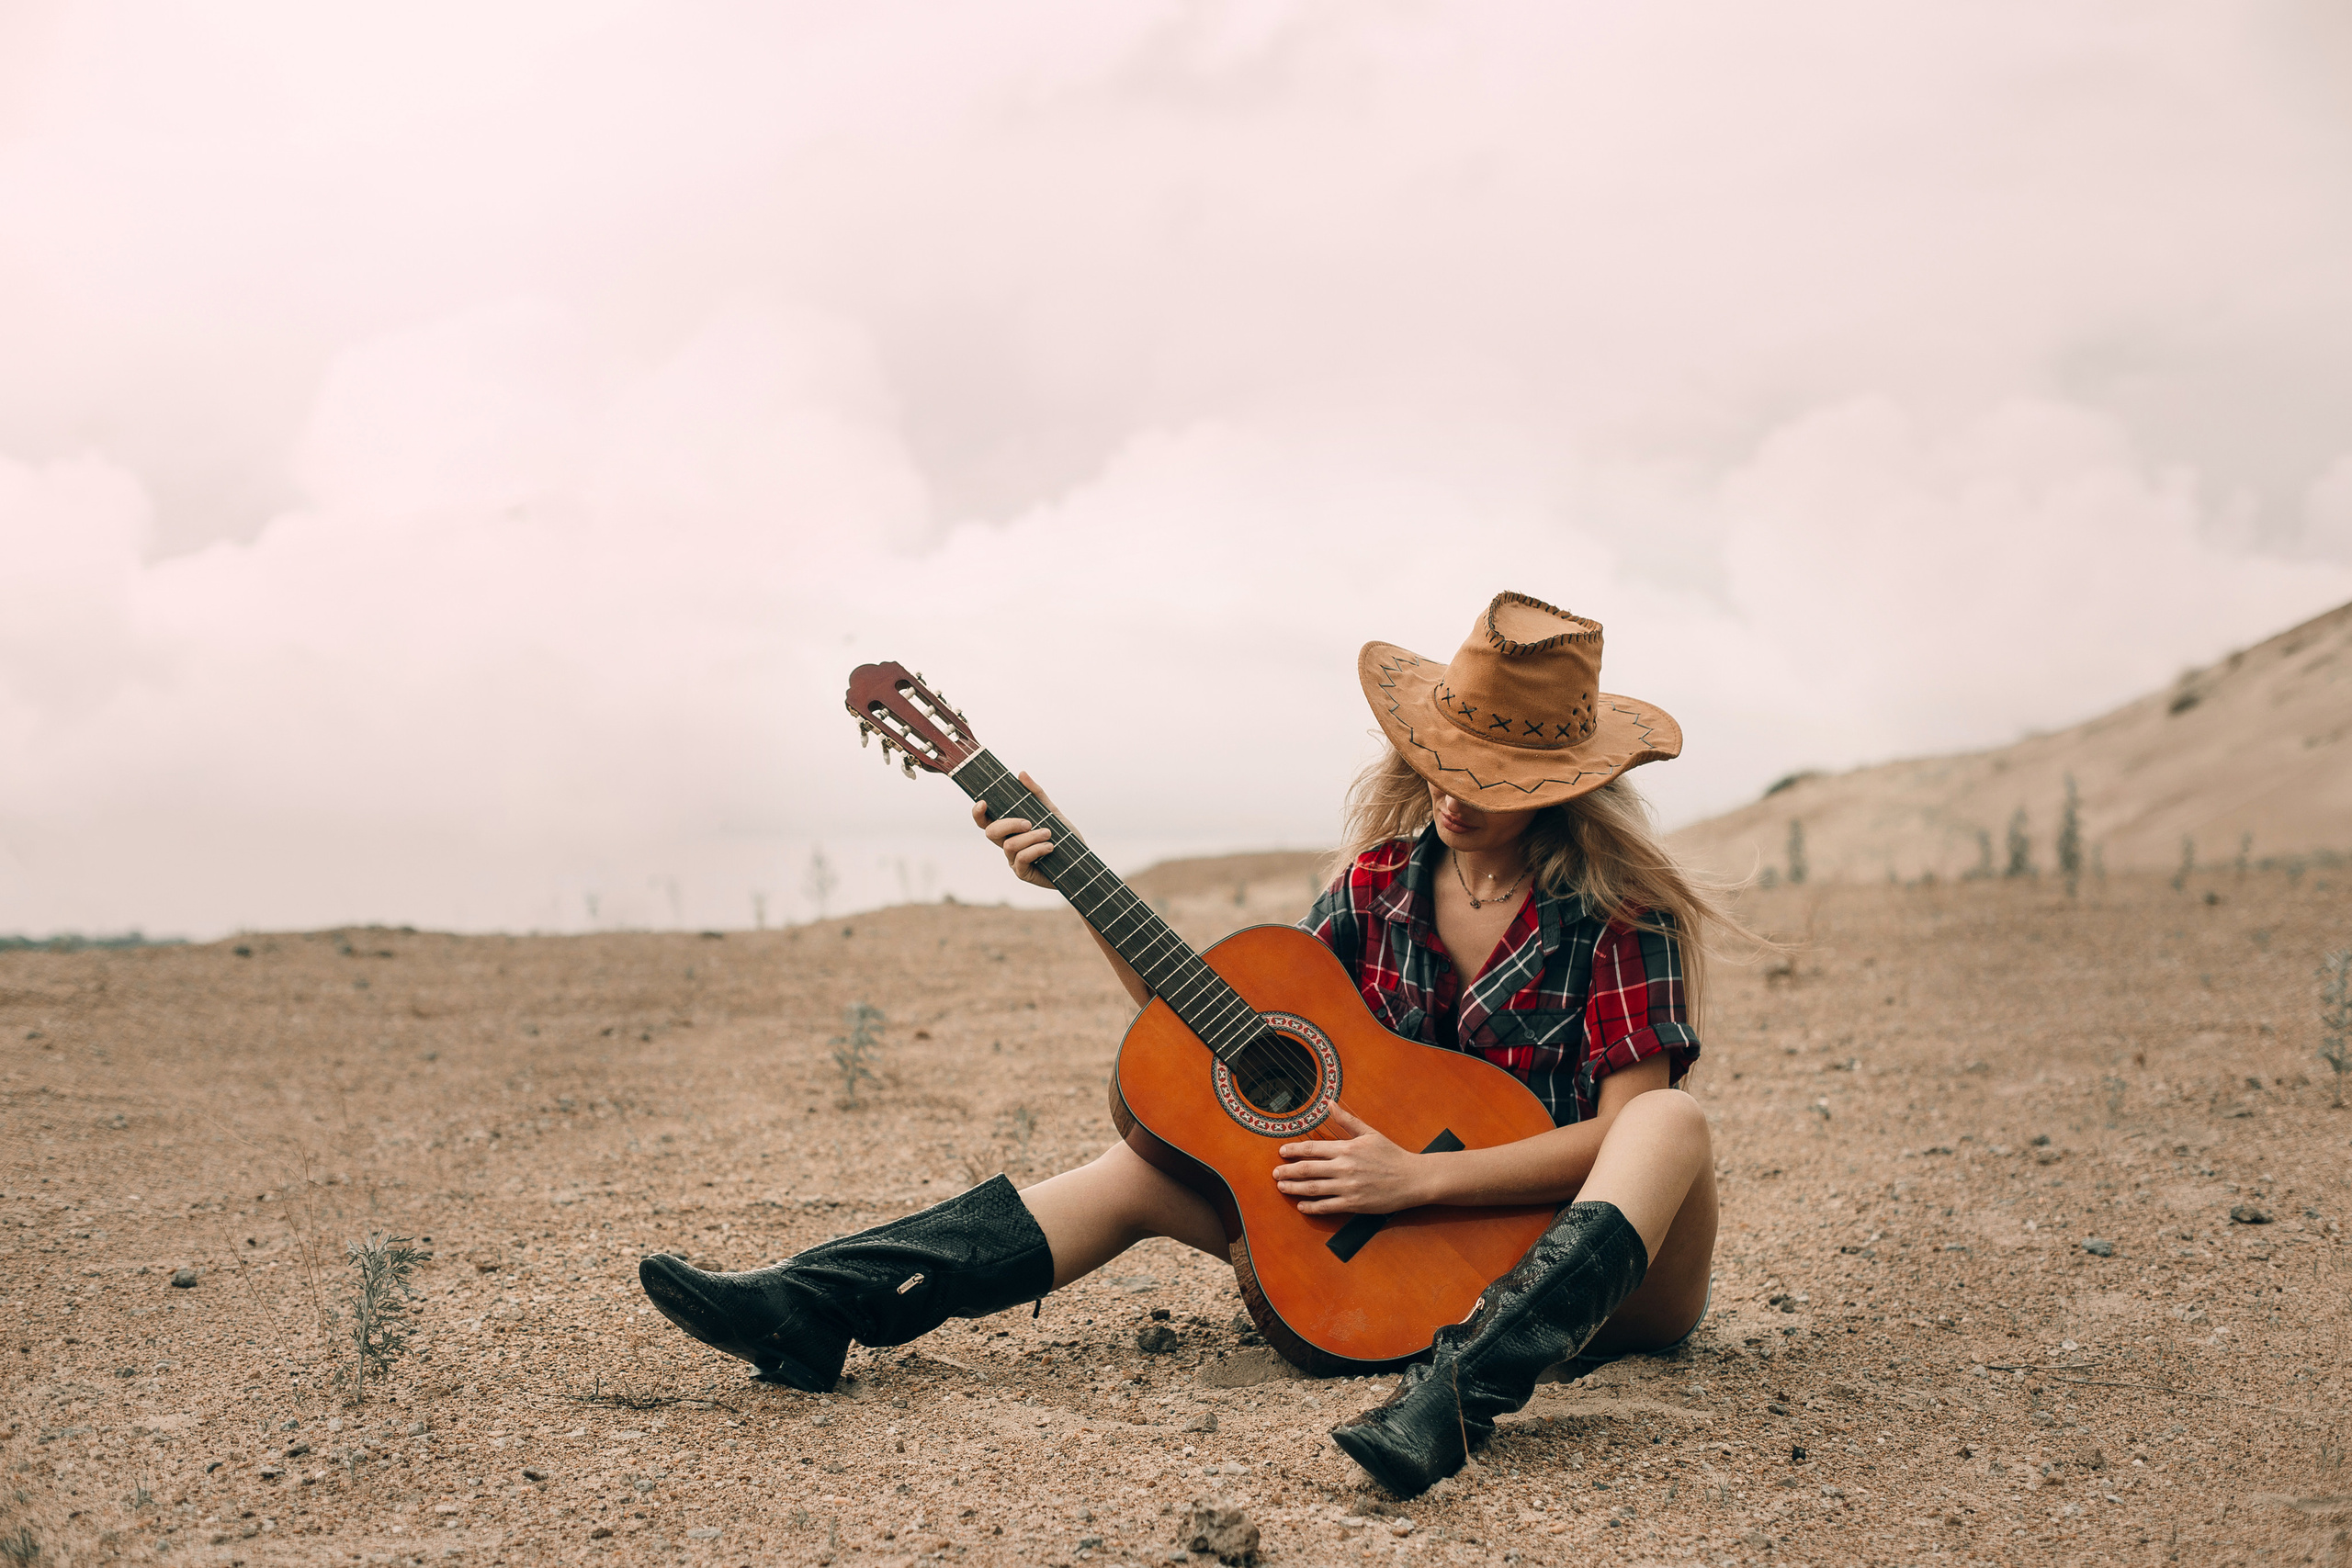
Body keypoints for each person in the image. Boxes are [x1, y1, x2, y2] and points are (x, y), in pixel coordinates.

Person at [639, 591, 1734, 1499]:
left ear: (1563, 788)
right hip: (1391, 1257)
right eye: (1442, 758)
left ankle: (1457, 1399)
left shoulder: (1618, 913)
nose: (1452, 789)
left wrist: (1418, 1176)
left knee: (1671, 1121)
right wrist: (1071, 882)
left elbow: (1619, 1136)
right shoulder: (1376, 886)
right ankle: (817, 1304)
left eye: (1489, 777)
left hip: (1602, 1282)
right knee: (1141, 1170)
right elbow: (1244, 1035)